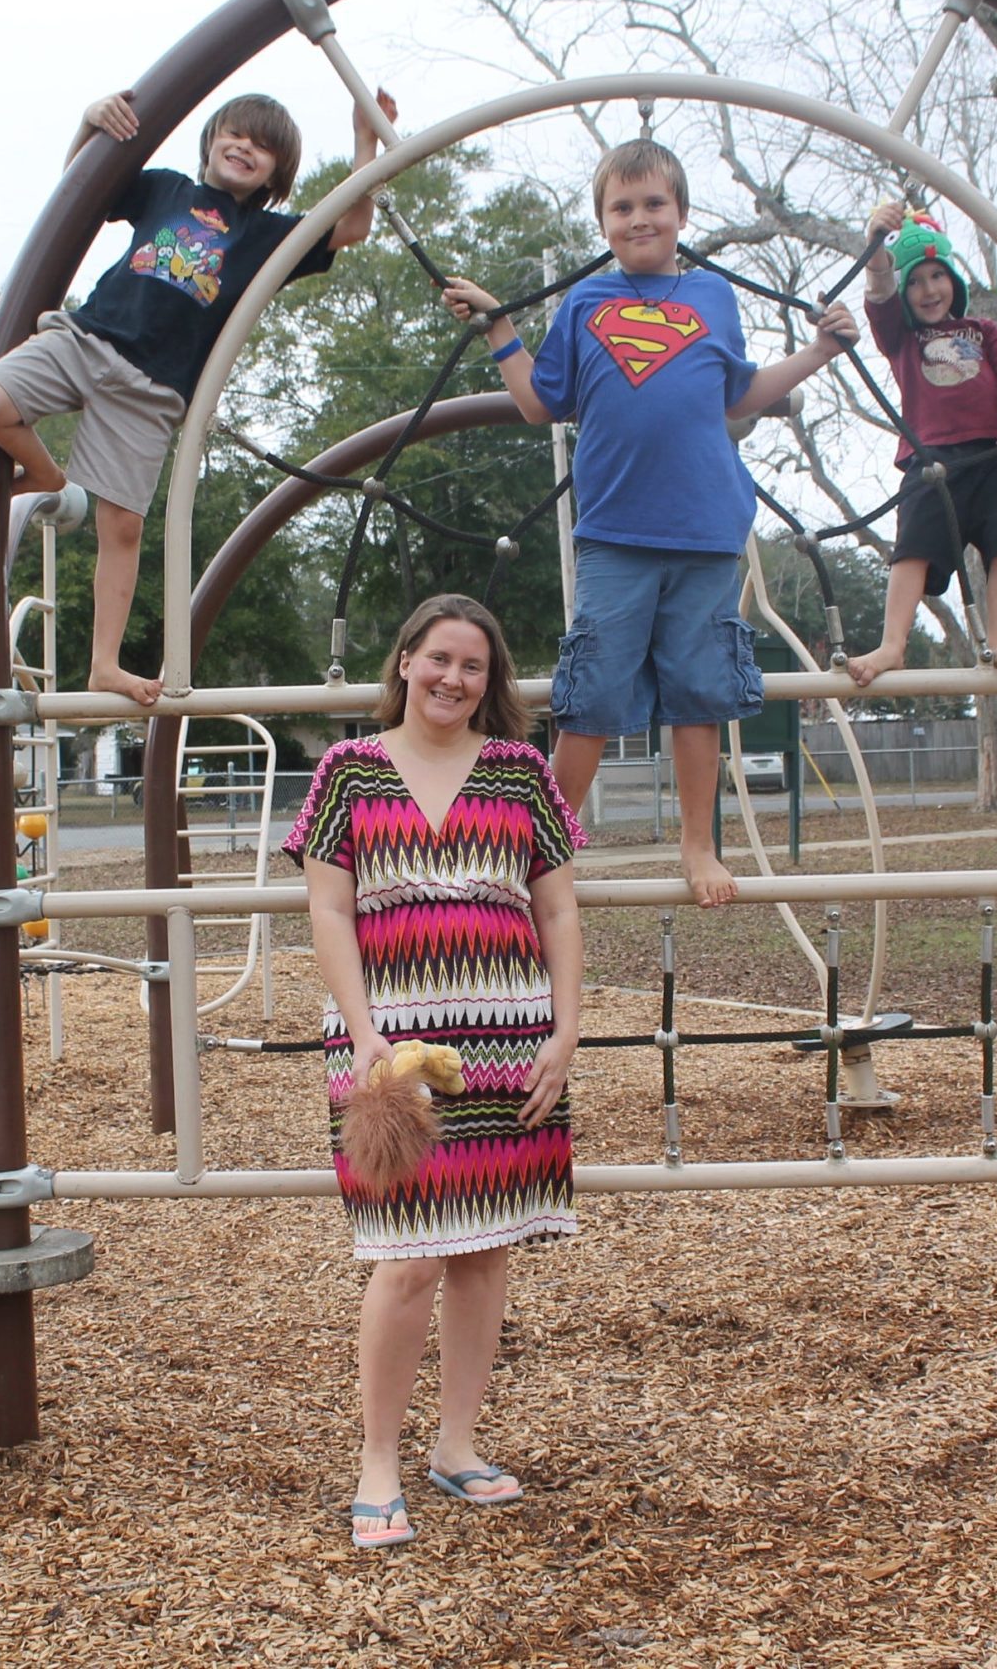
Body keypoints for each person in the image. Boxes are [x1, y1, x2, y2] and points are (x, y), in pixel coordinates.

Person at [438, 139, 855, 906]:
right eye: (622, 206)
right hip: (614, 534)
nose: (639, 218)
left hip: (705, 530)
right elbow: (539, 402)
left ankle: (699, 845)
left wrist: (821, 351)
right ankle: (546, 848)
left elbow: (740, 394)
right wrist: (499, 327)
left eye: (654, 203)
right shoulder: (586, 303)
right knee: (592, 692)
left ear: (681, 213)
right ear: (603, 222)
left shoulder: (712, 297)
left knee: (698, 693)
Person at [283, 594, 585, 1550]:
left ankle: (456, 1445)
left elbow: (558, 910)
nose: (453, 678)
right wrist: (362, 1035)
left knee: (484, 1250)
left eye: (474, 665)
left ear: (490, 682)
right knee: (406, 1253)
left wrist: (566, 1032)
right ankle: (379, 1458)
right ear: (406, 660)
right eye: (439, 658)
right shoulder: (348, 770)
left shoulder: (522, 772)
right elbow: (329, 911)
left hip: (508, 1040)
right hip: (389, 1046)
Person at [0, 86, 396, 704]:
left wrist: (364, 138)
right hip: (89, 338)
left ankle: (104, 664)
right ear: (211, 139)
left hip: (153, 389)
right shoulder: (165, 190)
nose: (244, 148)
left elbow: (352, 225)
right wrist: (88, 122)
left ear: (276, 173)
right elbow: (78, 192)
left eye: (262, 147)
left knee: (123, 527)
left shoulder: (268, 236)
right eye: (235, 134)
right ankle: (47, 474)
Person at [851, 201, 997, 681]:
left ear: (954, 280)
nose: (929, 289)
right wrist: (875, 246)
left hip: (994, 453)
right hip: (931, 458)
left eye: (937, 276)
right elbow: (879, 296)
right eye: (915, 281)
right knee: (912, 547)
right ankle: (892, 645)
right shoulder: (902, 337)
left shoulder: (983, 331)